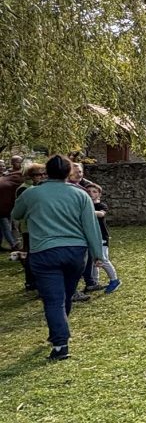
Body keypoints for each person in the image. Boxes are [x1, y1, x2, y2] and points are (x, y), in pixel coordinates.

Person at [11, 154, 104, 360]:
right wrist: (98, 254)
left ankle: (60, 343)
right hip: (75, 252)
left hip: (44, 252)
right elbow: (91, 226)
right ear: (68, 172)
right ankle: (59, 333)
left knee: (54, 300)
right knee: (65, 295)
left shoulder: (32, 194)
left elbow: (16, 214)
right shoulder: (81, 195)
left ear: (47, 172)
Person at [67, 164, 100, 295]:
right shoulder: (70, 190)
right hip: (73, 231)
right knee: (75, 262)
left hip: (83, 231)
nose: (79, 174)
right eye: (75, 172)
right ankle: (72, 291)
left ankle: (90, 282)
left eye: (80, 172)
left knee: (87, 258)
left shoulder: (85, 187)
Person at [15, 163, 47, 291]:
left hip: (37, 226)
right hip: (28, 227)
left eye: (43, 174)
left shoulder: (35, 187)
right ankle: (31, 281)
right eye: (38, 175)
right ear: (31, 176)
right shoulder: (25, 189)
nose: (42, 177)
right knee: (30, 253)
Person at [86, 185, 121, 293]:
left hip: (101, 236)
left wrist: (86, 212)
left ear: (99, 194)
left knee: (103, 259)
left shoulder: (101, 205)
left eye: (94, 191)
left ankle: (114, 280)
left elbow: (101, 214)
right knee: (93, 260)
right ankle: (94, 282)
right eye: (89, 191)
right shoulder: (86, 205)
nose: (91, 193)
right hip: (90, 236)